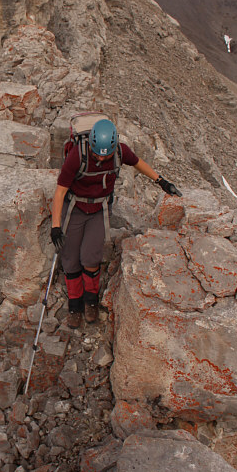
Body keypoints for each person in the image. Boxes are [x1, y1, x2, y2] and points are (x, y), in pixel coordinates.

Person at [50, 118, 181, 328]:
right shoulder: (78, 155)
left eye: (106, 154)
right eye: (97, 153)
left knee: (90, 257)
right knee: (70, 258)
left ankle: (90, 302)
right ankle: (75, 306)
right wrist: (56, 226)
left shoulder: (121, 152)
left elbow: (138, 163)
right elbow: (60, 192)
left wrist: (161, 181)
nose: (101, 158)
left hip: (99, 210)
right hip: (74, 208)